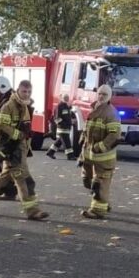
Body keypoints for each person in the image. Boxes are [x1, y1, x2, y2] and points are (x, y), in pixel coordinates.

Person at [0, 80, 49, 220]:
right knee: (25, 180)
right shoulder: (8, 106)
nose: (26, 94)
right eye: (24, 91)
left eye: (29, 92)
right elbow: (2, 126)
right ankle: (32, 211)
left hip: (20, 149)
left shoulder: (24, 106)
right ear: (18, 91)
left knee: (6, 176)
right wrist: (18, 135)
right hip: (12, 149)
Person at [78, 85, 122, 219]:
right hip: (89, 156)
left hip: (104, 158)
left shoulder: (111, 113)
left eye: (105, 94)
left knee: (99, 184)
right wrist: (82, 142)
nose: (101, 96)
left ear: (109, 97)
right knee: (87, 181)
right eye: (100, 94)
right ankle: (104, 201)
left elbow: (114, 136)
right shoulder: (94, 109)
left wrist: (99, 147)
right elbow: (88, 131)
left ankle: (97, 211)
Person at [0, 76, 19, 200]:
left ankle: (4, 190)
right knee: (6, 168)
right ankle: (7, 191)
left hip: (8, 142)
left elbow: (4, 128)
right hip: (10, 141)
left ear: (2, 88)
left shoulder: (7, 104)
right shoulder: (10, 100)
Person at [46, 93, 75, 160]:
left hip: (66, 128)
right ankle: (70, 156)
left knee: (59, 142)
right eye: (65, 97)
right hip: (62, 128)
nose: (67, 99)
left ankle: (50, 152)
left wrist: (71, 122)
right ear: (61, 98)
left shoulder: (66, 106)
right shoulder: (59, 106)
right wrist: (64, 125)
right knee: (67, 142)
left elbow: (67, 116)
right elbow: (57, 119)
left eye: (67, 97)